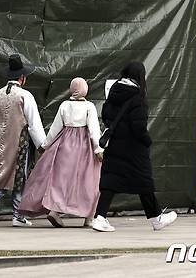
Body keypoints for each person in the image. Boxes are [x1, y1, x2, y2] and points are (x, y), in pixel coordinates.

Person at [91, 62, 177, 233]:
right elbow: (138, 127)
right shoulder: (137, 97)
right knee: (144, 182)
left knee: (110, 181)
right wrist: (147, 141)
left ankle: (100, 217)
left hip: (115, 144)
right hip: (134, 148)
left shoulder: (113, 92)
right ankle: (156, 219)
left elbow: (106, 116)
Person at [0, 54, 47, 228]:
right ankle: (17, 215)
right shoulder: (25, 96)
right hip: (20, 141)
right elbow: (33, 123)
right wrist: (42, 145)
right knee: (19, 176)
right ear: (22, 77)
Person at [18, 77, 102, 228]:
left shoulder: (64, 105)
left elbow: (55, 128)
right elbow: (94, 130)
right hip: (84, 148)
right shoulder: (89, 106)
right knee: (89, 180)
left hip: (64, 145)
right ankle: (89, 216)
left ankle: (55, 210)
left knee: (62, 181)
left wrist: (45, 145)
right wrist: (98, 149)